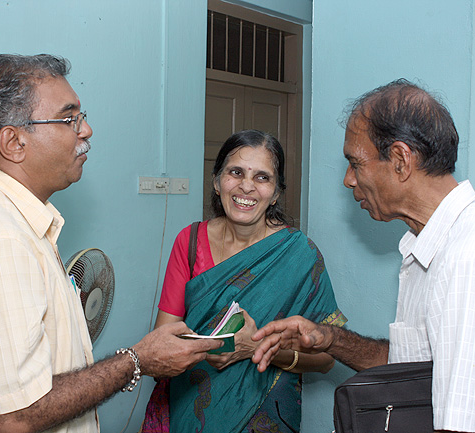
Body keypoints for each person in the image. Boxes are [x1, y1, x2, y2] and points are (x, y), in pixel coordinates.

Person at [0, 54, 222, 433]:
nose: (86, 129)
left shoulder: (15, 217)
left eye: (82, 115)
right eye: (68, 118)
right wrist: (137, 361)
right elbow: (15, 416)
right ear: (15, 142)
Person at [252, 79, 475, 433]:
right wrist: (330, 338)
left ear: (401, 160)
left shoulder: (469, 258)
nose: (347, 180)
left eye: (356, 163)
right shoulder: (428, 246)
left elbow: (469, 423)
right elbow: (411, 366)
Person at [142, 130, 347, 433]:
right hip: (188, 407)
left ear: (276, 192)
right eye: (235, 172)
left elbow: (327, 357)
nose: (246, 186)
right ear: (217, 181)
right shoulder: (189, 241)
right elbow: (163, 339)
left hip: (266, 415)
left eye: (262, 177)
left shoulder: (300, 255)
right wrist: (211, 347)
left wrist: (258, 349)